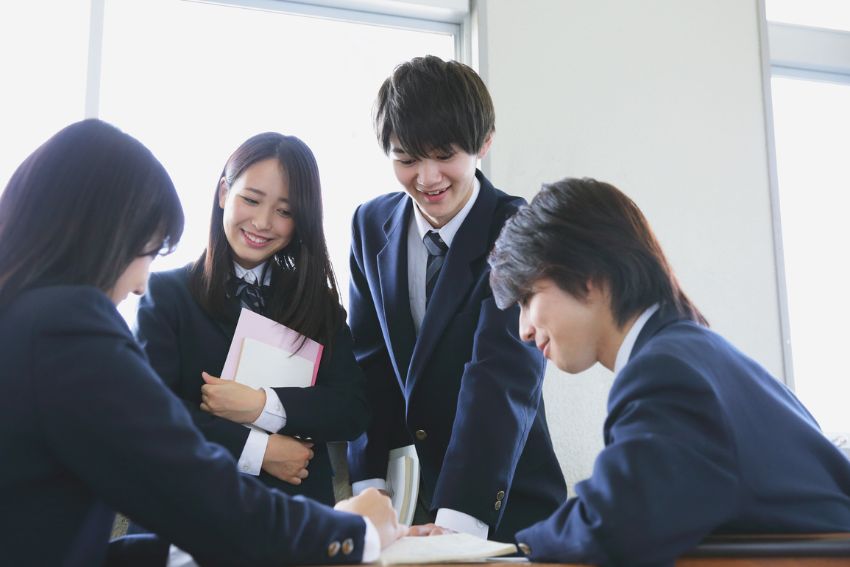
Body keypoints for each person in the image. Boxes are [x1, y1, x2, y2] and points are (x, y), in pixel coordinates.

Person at [0, 119, 405, 566]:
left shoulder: (26, 319)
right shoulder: (68, 328)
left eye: (284, 211)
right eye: (147, 251)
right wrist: (354, 532)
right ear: (102, 233)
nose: (139, 284)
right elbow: (172, 470)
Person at [488, 177, 850, 566]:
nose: (524, 330)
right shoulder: (693, 350)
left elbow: (613, 523)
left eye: (528, 297)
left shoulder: (664, 373)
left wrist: (511, 548)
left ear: (587, 275)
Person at [346, 55, 567, 542]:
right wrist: (371, 486)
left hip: (503, 503)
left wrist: (458, 522)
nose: (427, 179)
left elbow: (501, 376)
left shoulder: (518, 228)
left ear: (483, 142)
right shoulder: (369, 224)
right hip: (411, 506)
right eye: (407, 160)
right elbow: (369, 361)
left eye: (445, 155)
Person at [135, 132, 368, 507]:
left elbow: (350, 409)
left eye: (284, 212)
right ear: (224, 193)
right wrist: (259, 450)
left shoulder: (318, 303)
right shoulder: (166, 294)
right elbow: (152, 413)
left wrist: (262, 405)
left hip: (297, 512)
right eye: (251, 200)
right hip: (190, 509)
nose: (262, 222)